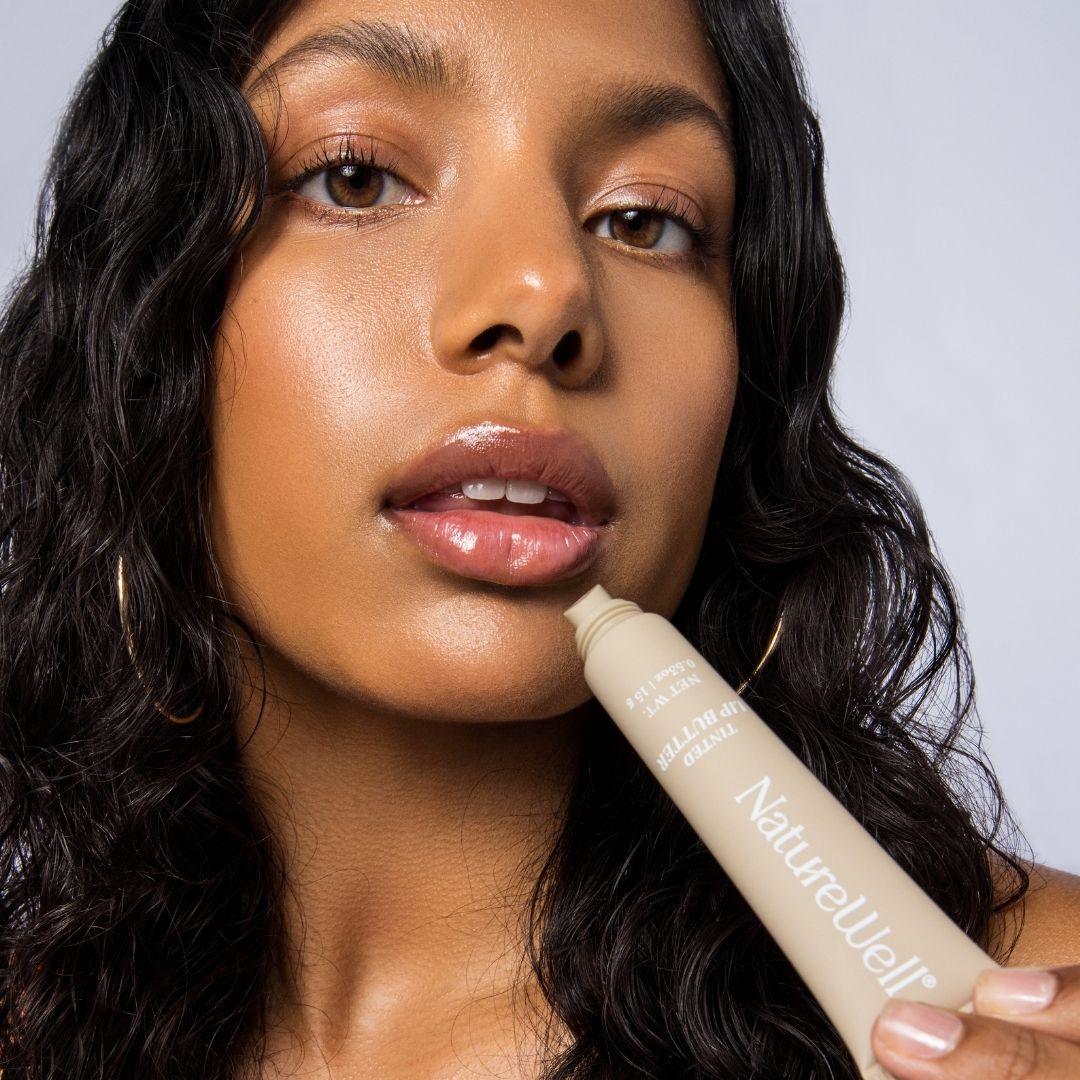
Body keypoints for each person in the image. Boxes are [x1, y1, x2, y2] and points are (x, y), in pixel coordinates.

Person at [1, 0, 1078, 1076]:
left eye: (644, 218)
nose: (547, 293)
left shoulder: (1029, 1008)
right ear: (142, 324)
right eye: (356, 177)